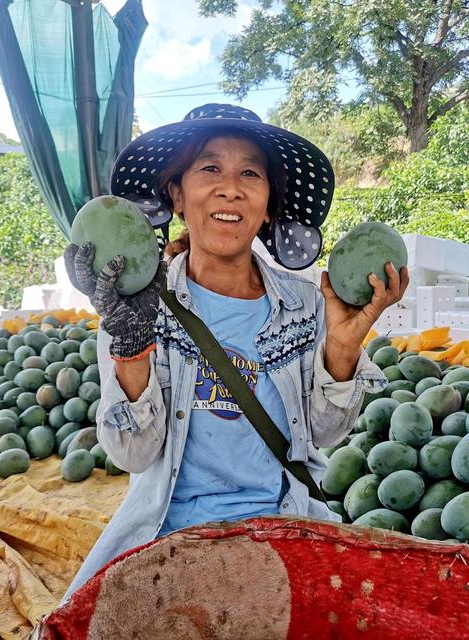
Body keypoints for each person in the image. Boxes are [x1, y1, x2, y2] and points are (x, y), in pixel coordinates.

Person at [63, 103, 409, 597]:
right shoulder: (137, 309)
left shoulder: (306, 304)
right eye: (210, 168)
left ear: (268, 204)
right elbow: (133, 455)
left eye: (250, 172)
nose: (230, 187)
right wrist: (132, 347)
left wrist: (342, 346)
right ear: (177, 195)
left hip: (282, 531)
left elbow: (326, 433)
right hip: (172, 540)